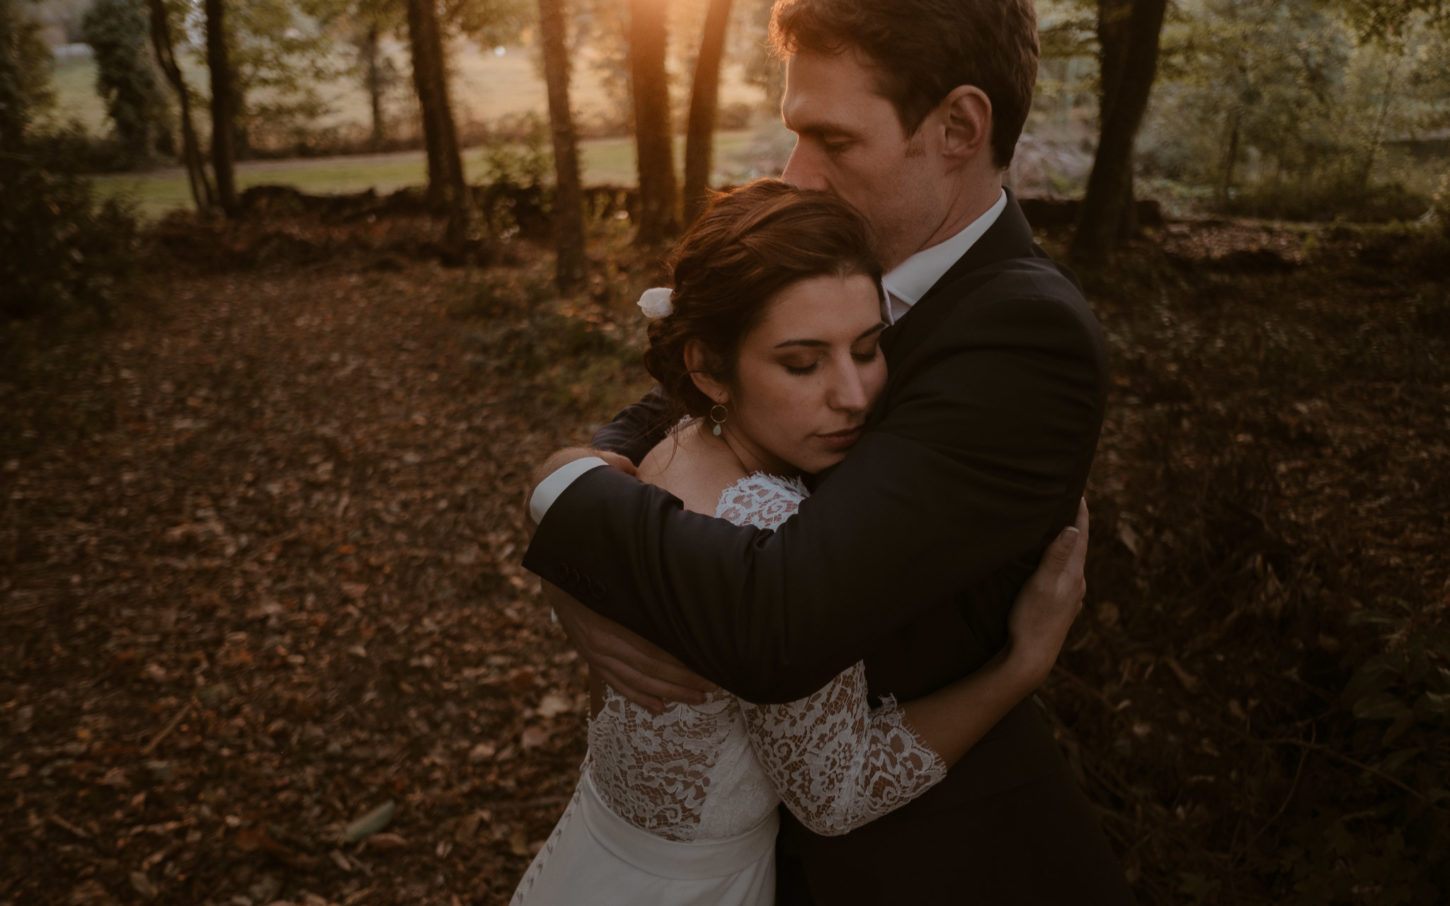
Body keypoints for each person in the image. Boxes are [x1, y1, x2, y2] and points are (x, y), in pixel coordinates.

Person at [523, 0, 1135, 902]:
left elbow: (780, 620)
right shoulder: (845, 261)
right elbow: (683, 407)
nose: (797, 175)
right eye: (794, 135)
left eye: (835, 141)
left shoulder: (1025, 335)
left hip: (935, 863)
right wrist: (567, 509)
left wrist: (570, 512)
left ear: (959, 128)